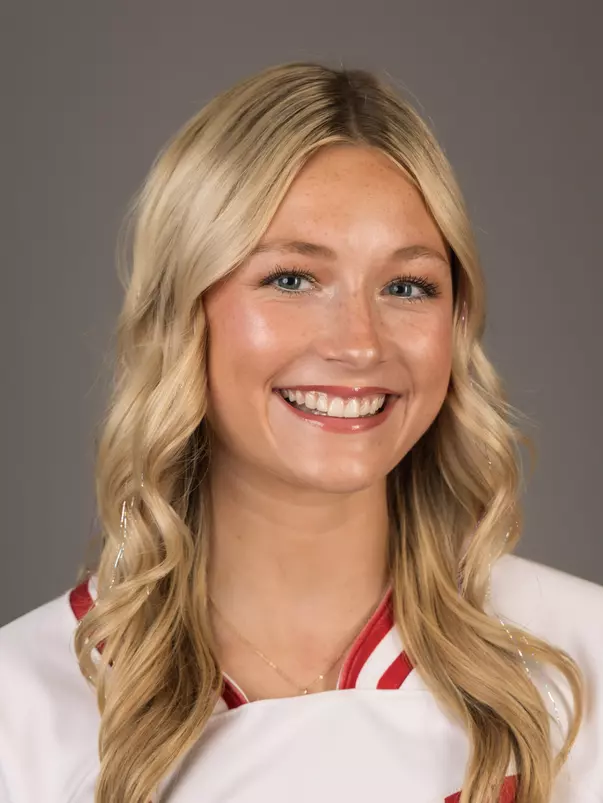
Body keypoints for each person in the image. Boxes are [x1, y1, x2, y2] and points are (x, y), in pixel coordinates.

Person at [0, 61, 601, 803]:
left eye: (406, 286)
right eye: (290, 278)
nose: (358, 343)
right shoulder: (21, 706)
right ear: (184, 312)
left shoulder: (581, 659)